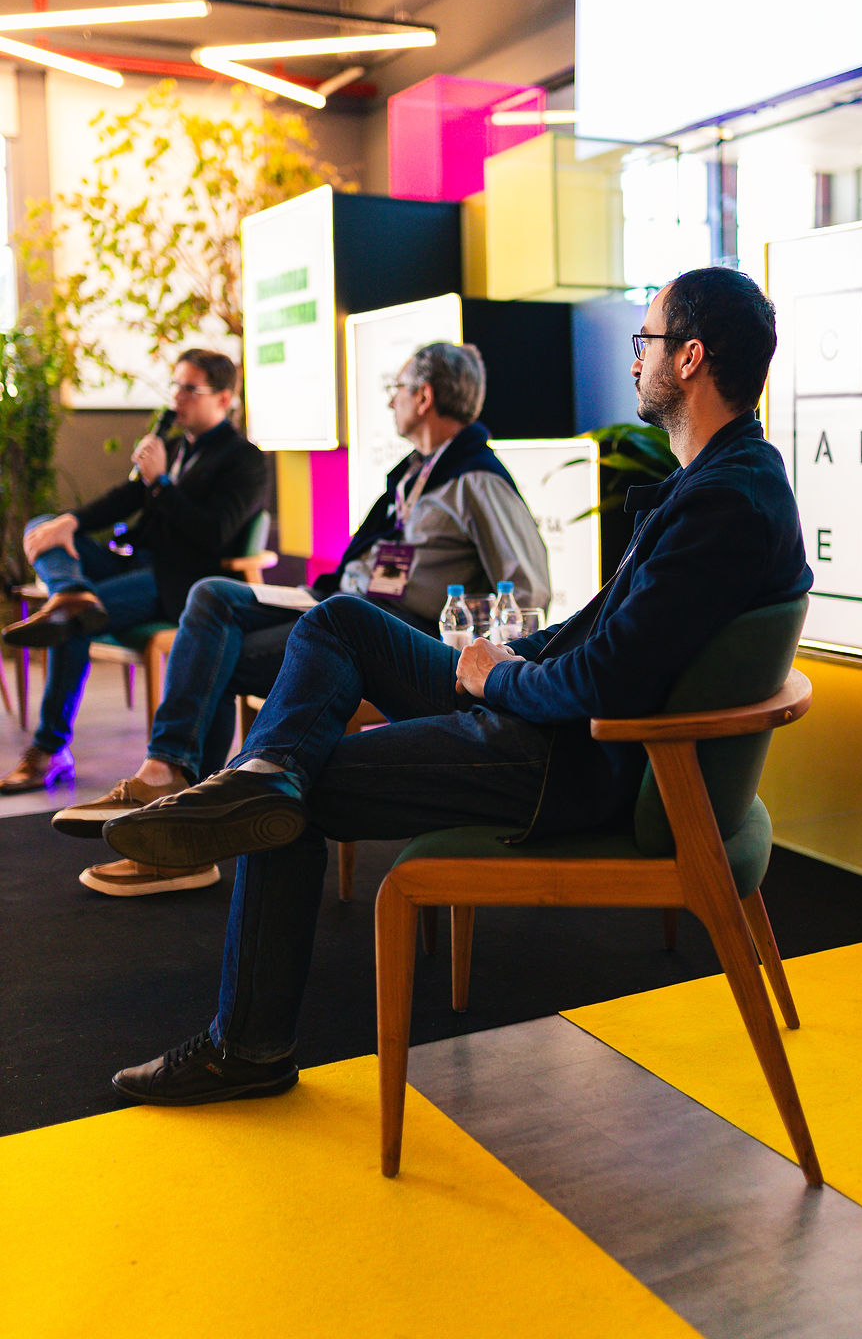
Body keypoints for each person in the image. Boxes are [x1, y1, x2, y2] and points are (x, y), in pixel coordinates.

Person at [102, 266, 812, 1105]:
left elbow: (611, 681)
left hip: (564, 756)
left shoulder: (726, 503)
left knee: (299, 793)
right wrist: (502, 660)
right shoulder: (723, 480)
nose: (634, 360)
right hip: (546, 718)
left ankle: (246, 1041)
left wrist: (504, 680)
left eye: (646, 341)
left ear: (689, 358)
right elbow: (602, 637)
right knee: (340, 624)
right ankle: (260, 774)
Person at [55, 340, 550, 896]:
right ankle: (170, 781)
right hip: (333, 603)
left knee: (212, 653)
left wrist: (477, 655)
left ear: (424, 397)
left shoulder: (476, 478)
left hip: (390, 632)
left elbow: (526, 588)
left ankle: (178, 823)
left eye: (397, 389)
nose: (390, 401)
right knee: (211, 596)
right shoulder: (413, 475)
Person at [1, 349, 266, 796]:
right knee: (44, 528)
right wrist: (71, 522)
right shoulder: (176, 447)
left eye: (190, 389)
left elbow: (214, 532)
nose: (176, 398)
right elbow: (124, 499)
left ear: (224, 399)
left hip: (180, 582)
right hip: (134, 563)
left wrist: (161, 483)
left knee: (75, 623)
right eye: (176, 386)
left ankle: (49, 750)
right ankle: (71, 592)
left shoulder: (245, 459)